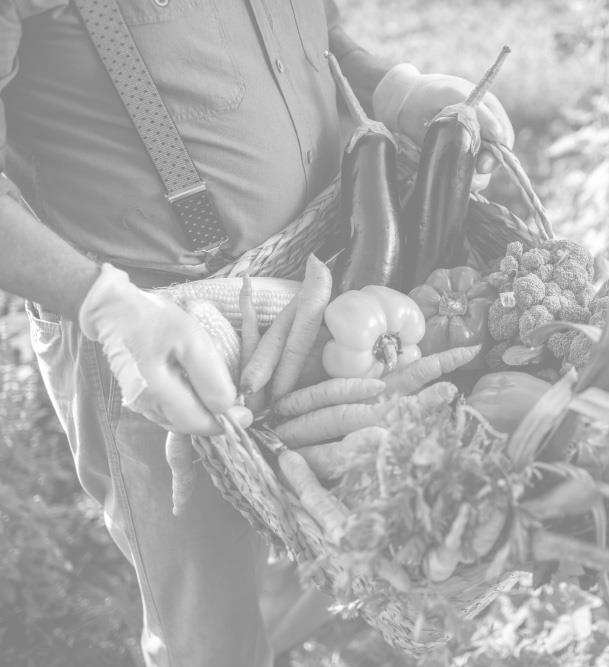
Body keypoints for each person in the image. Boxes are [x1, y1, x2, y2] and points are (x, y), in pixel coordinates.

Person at [0, 1, 514, 665]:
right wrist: (101, 302)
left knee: (316, 542)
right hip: (163, 337)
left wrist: (391, 87)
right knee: (212, 635)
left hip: (338, 275)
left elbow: (310, 32)